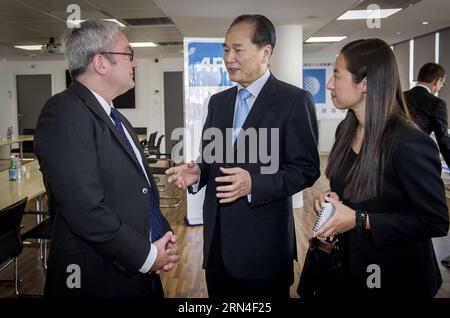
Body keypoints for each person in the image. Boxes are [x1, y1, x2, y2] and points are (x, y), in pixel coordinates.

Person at [166, 14, 320, 298]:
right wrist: (198, 172)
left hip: (264, 251)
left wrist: (254, 184)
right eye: (225, 50)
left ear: (266, 52)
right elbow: (211, 158)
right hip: (217, 248)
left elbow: (306, 169)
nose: (229, 58)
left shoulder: (294, 101)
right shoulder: (219, 102)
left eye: (238, 49)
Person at [34, 20, 179, 298]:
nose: (135, 64)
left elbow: (138, 191)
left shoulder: (115, 117)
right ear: (101, 63)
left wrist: (162, 237)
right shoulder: (64, 114)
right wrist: (148, 256)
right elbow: (85, 210)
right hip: (96, 277)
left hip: (136, 268)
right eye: (129, 54)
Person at [308, 38, 449, 297]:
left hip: (397, 275)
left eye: (336, 75)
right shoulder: (345, 130)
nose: (329, 84)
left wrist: (359, 219)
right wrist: (332, 200)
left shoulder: (409, 143)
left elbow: (435, 221)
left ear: (365, 83)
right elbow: (353, 192)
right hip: (350, 267)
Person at [404, 62, 450, 168]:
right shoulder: (437, 103)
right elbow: (444, 142)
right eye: (442, 83)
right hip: (415, 162)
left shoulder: (399, 97)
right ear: (438, 81)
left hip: (390, 159)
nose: (441, 87)